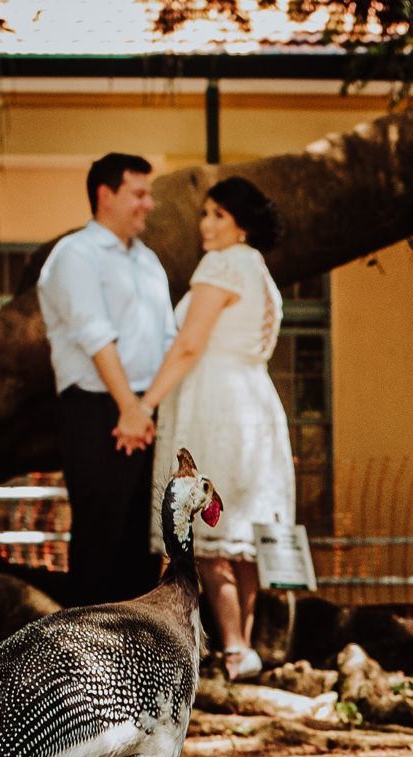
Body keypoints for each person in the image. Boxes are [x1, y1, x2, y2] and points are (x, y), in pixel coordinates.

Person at [140, 176, 296, 682]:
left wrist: (145, 403)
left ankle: (232, 647)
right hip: (255, 403)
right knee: (239, 538)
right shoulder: (258, 270)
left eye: (218, 215)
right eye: (205, 214)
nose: (206, 224)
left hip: (217, 404)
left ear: (241, 225)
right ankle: (243, 647)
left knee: (209, 533)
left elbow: (189, 344)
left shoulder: (224, 264)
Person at [37, 153, 176, 605]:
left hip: (146, 415)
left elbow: (168, 339)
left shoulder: (149, 261)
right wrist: (128, 409)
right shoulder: (75, 255)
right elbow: (94, 334)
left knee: (143, 546)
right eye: (139, 193)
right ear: (106, 195)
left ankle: (135, 644)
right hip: (97, 413)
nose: (149, 203)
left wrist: (146, 409)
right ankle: (87, 644)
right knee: (100, 542)